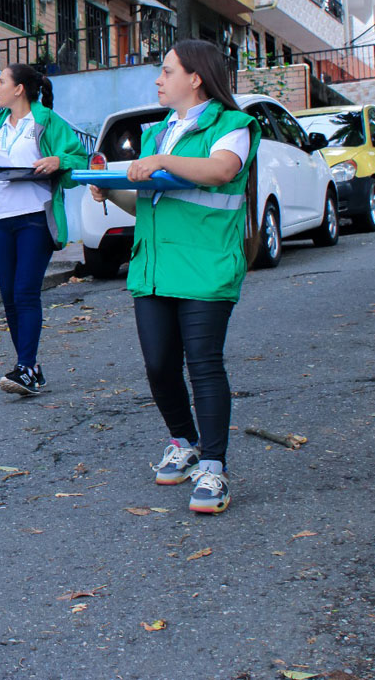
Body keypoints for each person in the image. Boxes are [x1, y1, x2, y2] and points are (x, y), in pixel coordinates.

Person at [91, 39, 260, 515]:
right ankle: (183, 443)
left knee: (203, 363)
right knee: (159, 364)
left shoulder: (233, 126)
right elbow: (152, 202)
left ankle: (213, 468)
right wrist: (112, 193)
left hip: (205, 266)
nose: (158, 79)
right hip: (154, 267)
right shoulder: (158, 132)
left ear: (196, 78)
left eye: (166, 71)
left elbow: (221, 170)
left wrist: (162, 162)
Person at [0, 64, 89, 397]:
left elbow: (78, 156)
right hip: (0, 219)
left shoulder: (46, 121)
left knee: (25, 292)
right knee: (9, 298)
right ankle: (29, 366)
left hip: (35, 217)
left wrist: (58, 161)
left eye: (1, 81)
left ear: (19, 89)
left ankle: (25, 369)